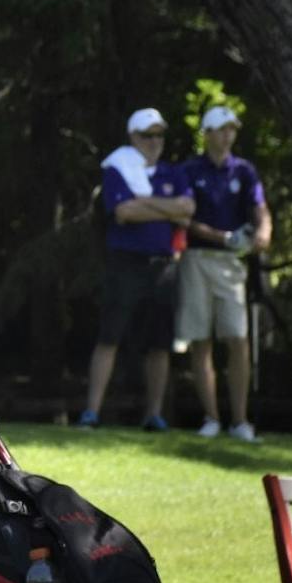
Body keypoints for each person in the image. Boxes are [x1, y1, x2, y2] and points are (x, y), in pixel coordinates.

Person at [77, 108, 193, 430]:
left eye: (159, 135)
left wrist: (145, 202)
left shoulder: (173, 172)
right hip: (125, 263)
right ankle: (92, 412)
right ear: (133, 137)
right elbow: (124, 212)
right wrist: (167, 209)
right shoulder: (118, 167)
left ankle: (154, 414)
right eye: (147, 135)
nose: (154, 141)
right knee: (110, 336)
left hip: (163, 266)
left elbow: (187, 211)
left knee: (159, 343)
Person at [177, 105, 270, 442]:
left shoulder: (243, 170)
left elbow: (260, 208)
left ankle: (240, 421)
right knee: (201, 340)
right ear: (207, 134)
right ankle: (212, 418)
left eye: (232, 129)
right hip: (197, 259)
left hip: (232, 265)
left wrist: (264, 232)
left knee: (238, 338)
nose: (228, 135)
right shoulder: (189, 170)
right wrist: (222, 237)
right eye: (221, 129)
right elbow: (183, 218)